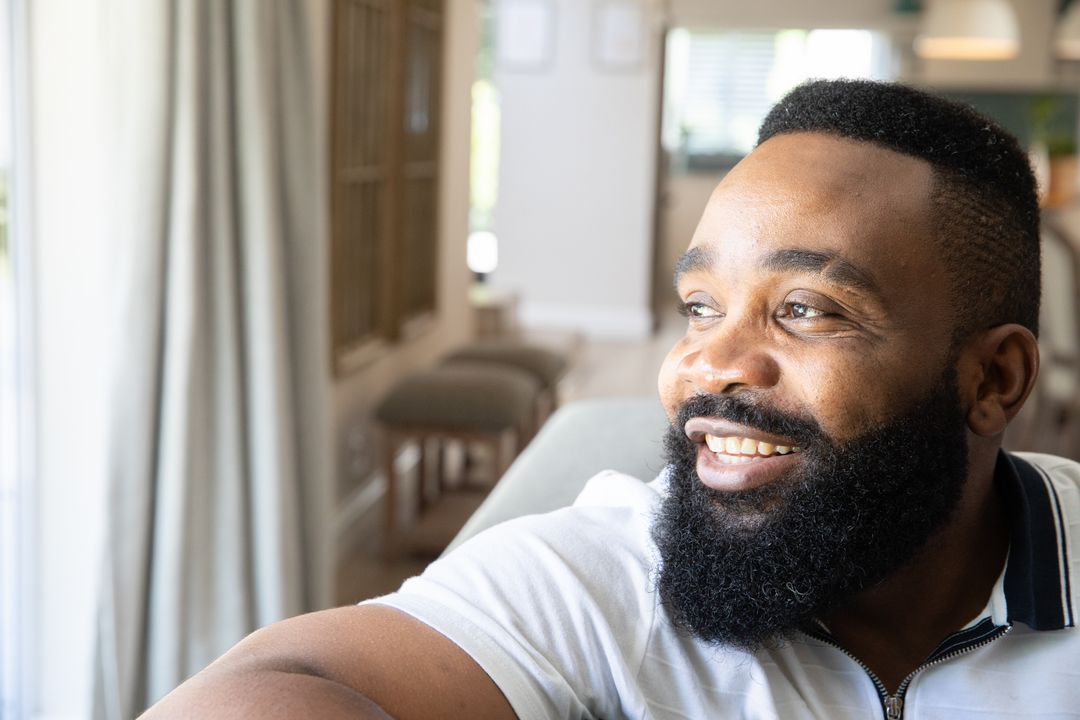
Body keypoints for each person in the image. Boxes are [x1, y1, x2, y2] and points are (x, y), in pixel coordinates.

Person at [143, 79, 1080, 719]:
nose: (707, 367)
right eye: (700, 307)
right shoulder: (617, 572)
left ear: (993, 379)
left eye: (804, 310)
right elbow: (269, 682)